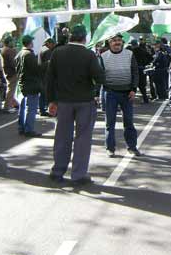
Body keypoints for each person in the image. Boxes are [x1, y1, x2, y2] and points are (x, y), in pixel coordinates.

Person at [46, 24, 104, 185]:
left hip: (63, 102)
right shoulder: (89, 54)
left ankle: (58, 171)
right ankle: (78, 174)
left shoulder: (57, 53)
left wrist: (51, 100)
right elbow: (99, 77)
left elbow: (50, 79)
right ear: (85, 38)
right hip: (85, 101)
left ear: (70, 36)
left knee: (62, 137)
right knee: (83, 138)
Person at [100, 33, 141, 158]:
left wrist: (134, 89)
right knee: (110, 123)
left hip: (127, 93)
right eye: (114, 40)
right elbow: (99, 76)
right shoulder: (103, 56)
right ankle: (110, 148)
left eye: (119, 40)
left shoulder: (130, 54)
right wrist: (97, 94)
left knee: (129, 122)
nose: (117, 42)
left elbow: (135, 72)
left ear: (122, 42)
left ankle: (132, 147)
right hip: (110, 93)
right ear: (109, 43)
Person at [15, 34, 43, 137]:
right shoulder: (29, 55)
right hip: (31, 84)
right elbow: (36, 70)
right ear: (30, 43)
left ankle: (21, 127)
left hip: (21, 84)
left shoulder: (19, 54)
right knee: (31, 108)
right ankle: (29, 129)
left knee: (22, 108)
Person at [129, 37, 152, 104]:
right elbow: (150, 58)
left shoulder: (131, 52)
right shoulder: (142, 50)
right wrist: (145, 64)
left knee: (133, 85)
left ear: (132, 45)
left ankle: (130, 100)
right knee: (142, 86)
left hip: (134, 70)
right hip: (142, 69)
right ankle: (145, 99)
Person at [0, 35, 19, 113]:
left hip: (7, 72)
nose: (14, 43)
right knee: (11, 90)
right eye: (12, 41)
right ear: (9, 42)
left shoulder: (4, 50)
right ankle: (7, 107)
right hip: (12, 72)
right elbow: (13, 62)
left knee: (11, 89)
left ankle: (14, 104)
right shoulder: (9, 51)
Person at [38, 38, 56, 116]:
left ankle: (42, 109)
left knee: (42, 93)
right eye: (52, 44)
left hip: (41, 74)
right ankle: (49, 111)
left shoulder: (41, 49)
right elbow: (49, 64)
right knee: (47, 93)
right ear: (48, 43)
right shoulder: (47, 51)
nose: (53, 46)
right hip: (46, 75)